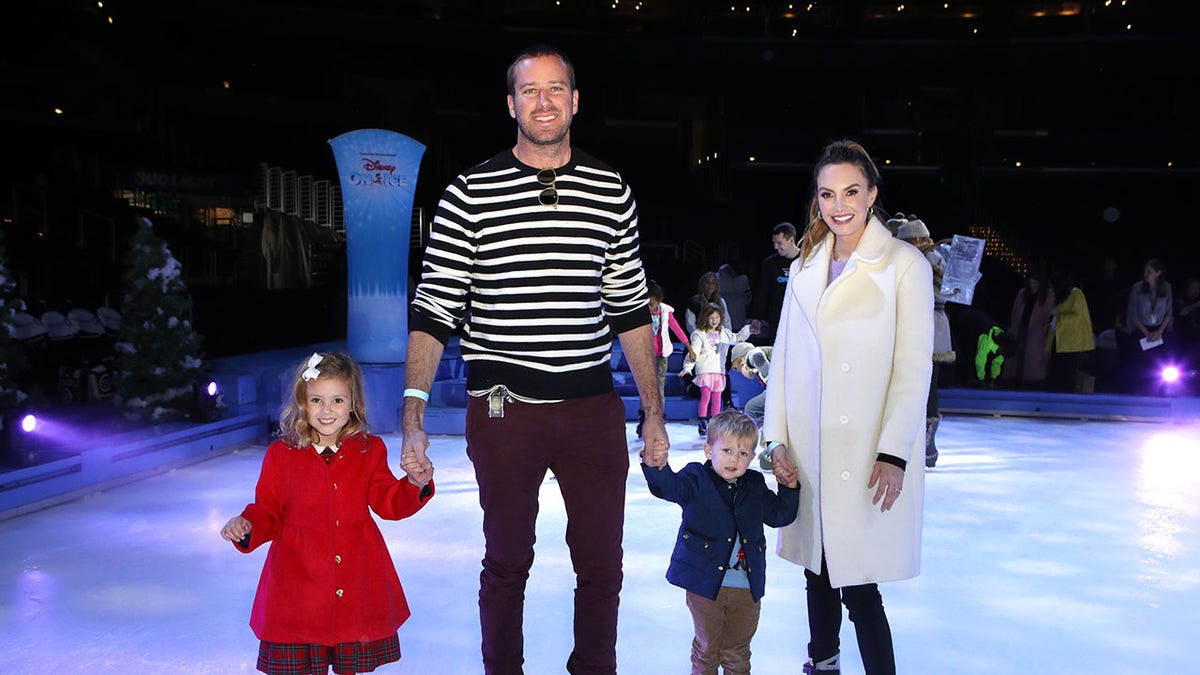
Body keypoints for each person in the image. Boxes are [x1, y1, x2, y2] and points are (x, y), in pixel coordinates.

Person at [400, 44, 669, 675]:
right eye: (529, 91)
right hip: (503, 411)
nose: (543, 102)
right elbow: (434, 309)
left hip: (591, 410)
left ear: (575, 102)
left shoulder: (610, 189)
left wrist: (652, 410)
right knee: (507, 562)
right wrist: (412, 411)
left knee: (603, 565)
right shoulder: (470, 193)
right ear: (511, 104)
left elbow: (629, 310)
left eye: (555, 90)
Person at [761, 140, 933, 675]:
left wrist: (894, 452)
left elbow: (912, 370)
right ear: (817, 200)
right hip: (810, 450)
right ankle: (823, 663)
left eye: (852, 191)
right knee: (816, 570)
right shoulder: (808, 263)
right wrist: (775, 441)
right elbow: (786, 358)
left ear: (872, 194)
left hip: (864, 453)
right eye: (828, 194)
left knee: (857, 583)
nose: (840, 205)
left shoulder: (904, 266)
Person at [220, 352, 435, 675]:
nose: (326, 410)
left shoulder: (369, 449)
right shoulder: (280, 455)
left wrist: (415, 483)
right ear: (302, 403)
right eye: (316, 400)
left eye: (337, 400)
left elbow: (388, 500)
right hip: (297, 588)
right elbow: (267, 510)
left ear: (352, 404)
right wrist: (247, 524)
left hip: (356, 584)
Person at [640, 409, 800, 675]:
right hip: (704, 588)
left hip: (746, 590)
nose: (734, 459)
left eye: (743, 453)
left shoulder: (755, 484)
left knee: (738, 653)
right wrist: (657, 465)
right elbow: (668, 488)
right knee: (707, 650)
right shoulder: (695, 479)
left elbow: (779, 515)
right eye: (726, 450)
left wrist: (789, 487)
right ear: (708, 449)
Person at [895, 215, 956, 468]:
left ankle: (926, 445)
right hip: (924, 324)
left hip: (930, 327)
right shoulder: (928, 257)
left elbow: (944, 291)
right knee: (923, 384)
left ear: (916, 240)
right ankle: (923, 445)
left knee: (927, 385)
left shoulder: (931, 259)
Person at [680, 302, 757, 435]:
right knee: (705, 397)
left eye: (717, 317)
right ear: (705, 318)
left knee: (717, 399)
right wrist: (688, 367)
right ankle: (703, 420)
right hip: (705, 371)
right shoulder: (699, 334)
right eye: (711, 318)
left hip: (718, 371)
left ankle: (714, 423)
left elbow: (738, 338)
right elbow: (694, 352)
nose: (714, 321)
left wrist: (748, 329)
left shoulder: (725, 333)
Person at [641, 279, 696, 437]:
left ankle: (658, 417)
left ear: (659, 301)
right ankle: (643, 417)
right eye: (647, 304)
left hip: (661, 356)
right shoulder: (642, 312)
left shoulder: (665, 312)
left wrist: (690, 349)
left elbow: (677, 330)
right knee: (645, 388)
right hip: (646, 356)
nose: (649, 308)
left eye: (651, 304)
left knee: (659, 388)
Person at [1121, 257, 1173, 393]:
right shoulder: (1137, 288)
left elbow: (1169, 313)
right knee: (1141, 364)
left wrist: (1159, 331)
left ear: (1158, 273)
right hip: (1142, 330)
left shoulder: (1167, 287)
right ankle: (1139, 391)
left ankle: (1160, 391)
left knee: (1160, 364)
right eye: (1145, 271)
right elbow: (1133, 313)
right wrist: (1146, 333)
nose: (1146, 274)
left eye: (1149, 272)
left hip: (1160, 331)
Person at [749, 221, 801, 346]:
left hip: (800, 318)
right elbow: (762, 292)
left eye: (779, 243)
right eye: (774, 243)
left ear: (791, 240)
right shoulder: (770, 263)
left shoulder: (807, 260)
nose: (776, 247)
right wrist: (758, 318)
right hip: (777, 319)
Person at [1046, 269, 1096, 393]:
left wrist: (1058, 315)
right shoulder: (1060, 297)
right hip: (1059, 341)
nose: (1052, 290)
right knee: (1055, 372)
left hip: (1071, 343)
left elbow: (1079, 318)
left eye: (1053, 287)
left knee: (1067, 375)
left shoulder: (1076, 294)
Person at [729, 341, 771, 427]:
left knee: (752, 407)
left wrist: (769, 379)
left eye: (737, 369)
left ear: (740, 360)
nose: (741, 373)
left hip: (787, 385)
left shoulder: (751, 355)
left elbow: (757, 356)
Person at [685, 270, 731, 336]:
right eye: (708, 282)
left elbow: (727, 322)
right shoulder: (694, 302)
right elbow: (690, 324)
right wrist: (700, 337)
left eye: (713, 283)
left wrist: (727, 337)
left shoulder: (721, 302)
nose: (710, 285)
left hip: (719, 339)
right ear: (703, 284)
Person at [717, 252, 752, 333]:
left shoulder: (743, 278)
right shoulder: (717, 278)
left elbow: (747, 299)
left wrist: (747, 297)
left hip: (739, 321)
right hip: (722, 321)